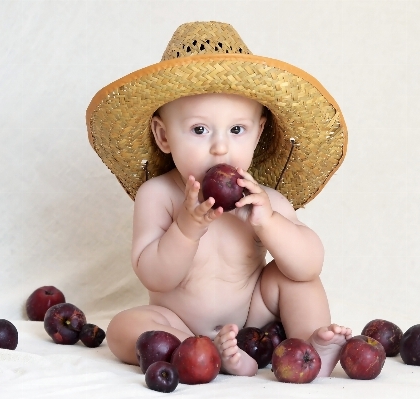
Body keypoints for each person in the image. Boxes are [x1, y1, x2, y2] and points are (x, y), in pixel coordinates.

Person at [86, 21, 349, 377]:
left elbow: (309, 264)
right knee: (123, 329)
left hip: (253, 319)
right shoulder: (159, 196)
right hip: (178, 322)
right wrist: (186, 228)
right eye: (199, 130)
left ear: (258, 135)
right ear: (164, 137)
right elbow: (154, 276)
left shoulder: (263, 201)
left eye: (237, 130)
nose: (220, 146)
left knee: (294, 279)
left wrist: (269, 223)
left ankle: (307, 347)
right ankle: (200, 352)